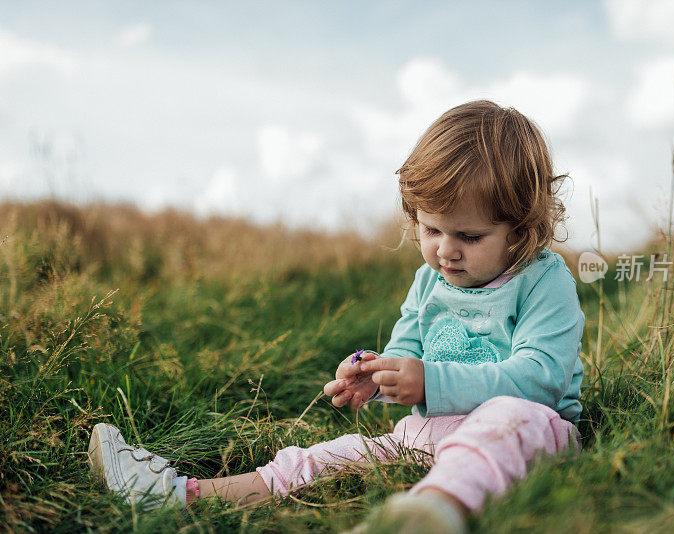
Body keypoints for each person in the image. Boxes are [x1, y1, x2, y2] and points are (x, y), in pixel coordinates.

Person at [88, 100, 585, 533]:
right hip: (425, 435)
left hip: (527, 431)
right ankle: (179, 494)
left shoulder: (544, 281)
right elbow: (405, 354)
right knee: (325, 456)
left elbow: (540, 379)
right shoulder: (428, 281)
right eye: (431, 230)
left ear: (519, 230)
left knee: (506, 420)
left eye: (469, 237)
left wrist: (431, 382)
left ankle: (430, 513)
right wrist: (377, 376)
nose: (445, 252)